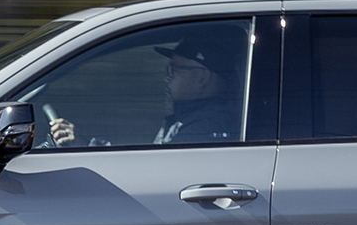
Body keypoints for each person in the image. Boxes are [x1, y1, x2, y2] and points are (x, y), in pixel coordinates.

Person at [47, 23, 248, 147]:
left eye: (173, 71)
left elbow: (154, 171)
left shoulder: (205, 128)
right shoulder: (186, 119)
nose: (166, 79)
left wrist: (86, 146)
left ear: (202, 78)